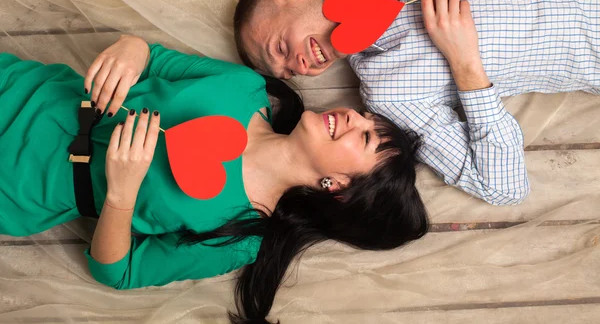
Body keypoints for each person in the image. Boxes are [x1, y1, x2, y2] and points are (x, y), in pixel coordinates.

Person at [0, 35, 429, 324]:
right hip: (22, 87)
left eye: (366, 137)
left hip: (16, 188)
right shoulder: (243, 87)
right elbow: (151, 55)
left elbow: (118, 272)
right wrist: (132, 47)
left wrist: (121, 194)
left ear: (337, 187)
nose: (354, 117)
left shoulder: (240, 238)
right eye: (366, 117)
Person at [233, 0, 600, 205]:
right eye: (290, 72)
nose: (299, 65)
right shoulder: (392, 96)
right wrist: (466, 65)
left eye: (281, 47)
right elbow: (504, 188)